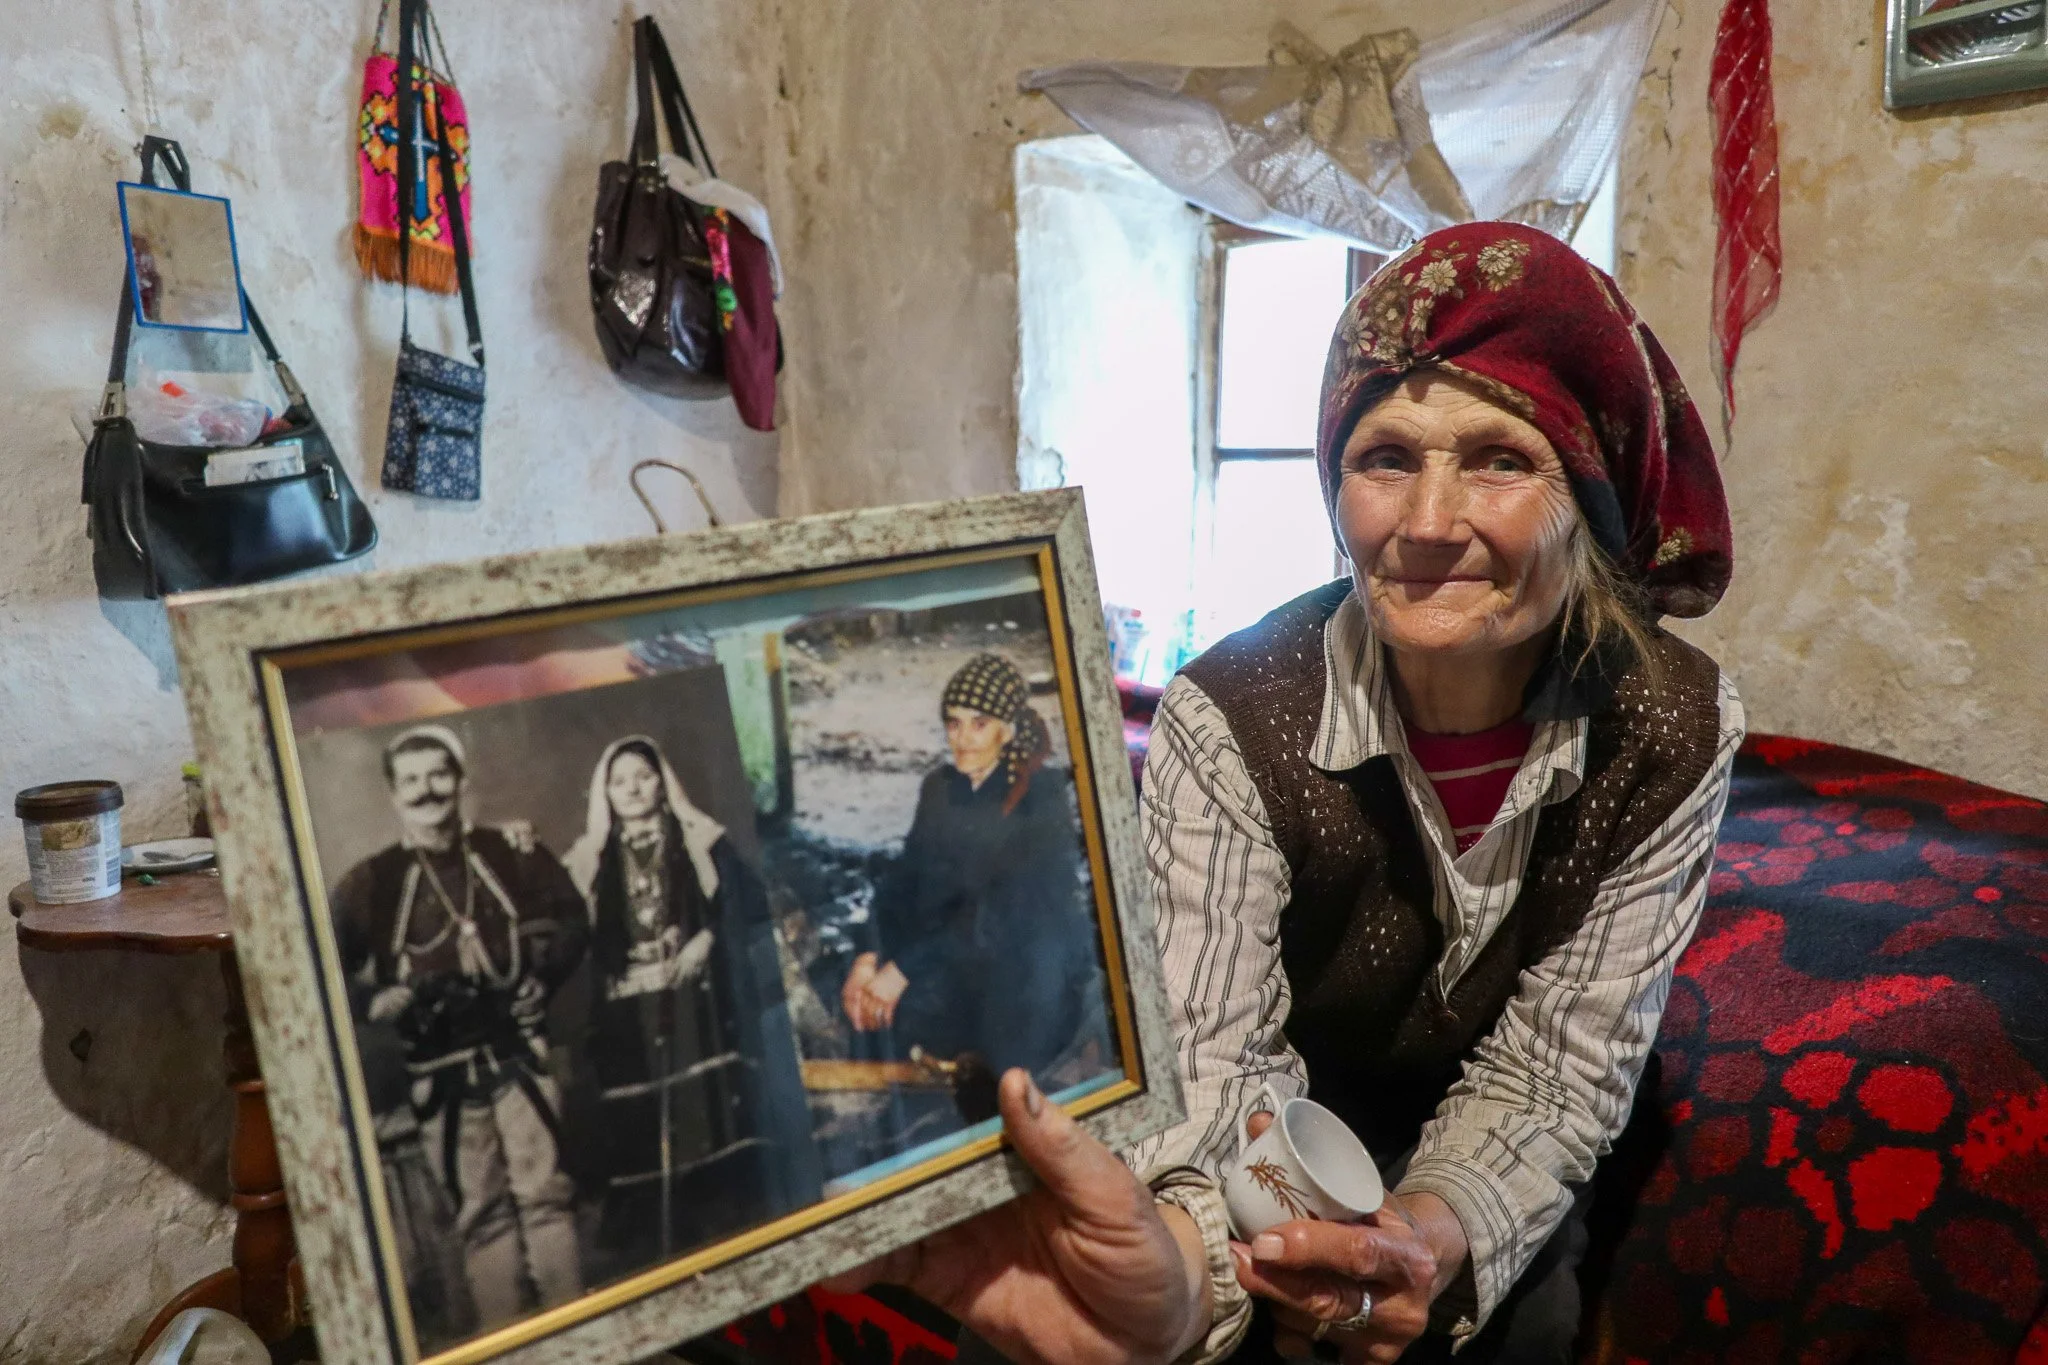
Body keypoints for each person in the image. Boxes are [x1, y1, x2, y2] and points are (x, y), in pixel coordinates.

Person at [828, 222, 1744, 1365]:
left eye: (1499, 460)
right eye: (1384, 457)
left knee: (1517, 1326)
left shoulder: (1670, 725)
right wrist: (1201, 1277)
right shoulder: (1232, 710)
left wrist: (1419, 1235)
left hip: (1455, 1132)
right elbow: (1209, 1058)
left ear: (1590, 493)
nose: (1423, 524)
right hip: (1253, 1123)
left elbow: (1559, 1064)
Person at [331, 725, 589, 1328]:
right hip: (437, 1072)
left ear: (461, 781)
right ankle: (506, 1343)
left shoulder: (509, 851)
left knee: (546, 1196)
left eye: (438, 775)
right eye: (412, 780)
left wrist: (541, 978)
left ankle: (580, 1336)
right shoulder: (373, 881)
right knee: (479, 1213)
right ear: (393, 795)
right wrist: (371, 998)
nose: (427, 790)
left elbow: (573, 917)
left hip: (519, 1057)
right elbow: (312, 960)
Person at [564, 736, 822, 1268]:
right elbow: (566, 935)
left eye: (643, 775)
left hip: (700, 1010)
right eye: (619, 781)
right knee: (644, 1144)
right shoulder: (589, 860)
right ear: (605, 793)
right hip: (627, 1018)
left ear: (663, 781)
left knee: (713, 1141)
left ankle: (737, 1252)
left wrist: (706, 938)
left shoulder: (700, 839)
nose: (633, 789)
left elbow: (747, 909)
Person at [841, 653, 1105, 1088]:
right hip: (948, 953)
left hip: (1021, 972)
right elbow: (902, 881)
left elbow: (999, 917)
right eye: (954, 723)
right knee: (861, 1007)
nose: (962, 739)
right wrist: (868, 957)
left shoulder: (1040, 796)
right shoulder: (940, 789)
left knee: (985, 1058)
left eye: (979, 724)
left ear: (1008, 728)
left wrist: (901, 969)